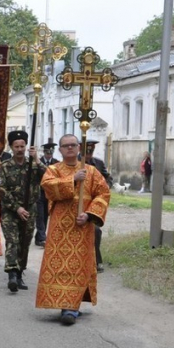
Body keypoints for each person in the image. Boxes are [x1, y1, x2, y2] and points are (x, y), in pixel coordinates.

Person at [36, 134, 111, 325]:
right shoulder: (53, 170)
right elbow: (48, 187)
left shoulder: (92, 171)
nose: (70, 148)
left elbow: (103, 193)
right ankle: (64, 303)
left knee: (78, 265)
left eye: (73, 145)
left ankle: (72, 306)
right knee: (61, 265)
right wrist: (73, 179)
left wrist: (89, 214)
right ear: (60, 150)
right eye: (65, 146)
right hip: (60, 228)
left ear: (79, 148)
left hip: (82, 226)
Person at [0, 130, 46, 292]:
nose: (19, 149)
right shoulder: (5, 166)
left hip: (30, 210)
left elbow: (48, 177)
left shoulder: (32, 165)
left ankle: (19, 273)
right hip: (10, 211)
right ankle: (11, 273)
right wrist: (17, 208)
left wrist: (36, 159)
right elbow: (2, 189)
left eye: (22, 146)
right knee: (12, 241)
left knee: (25, 243)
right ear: (11, 147)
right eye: (16, 146)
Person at [84, 139, 112, 273]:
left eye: (91, 151)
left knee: (95, 230)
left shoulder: (98, 163)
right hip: (78, 203)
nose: (89, 154)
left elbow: (108, 178)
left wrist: (105, 188)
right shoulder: (75, 163)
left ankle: (97, 260)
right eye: (86, 151)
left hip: (94, 203)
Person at [35, 142, 59, 246]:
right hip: (39, 192)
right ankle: (42, 237)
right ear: (44, 152)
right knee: (40, 215)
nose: (49, 155)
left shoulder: (56, 163)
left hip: (50, 193)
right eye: (47, 152)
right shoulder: (37, 162)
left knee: (45, 215)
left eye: (51, 153)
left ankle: (38, 237)